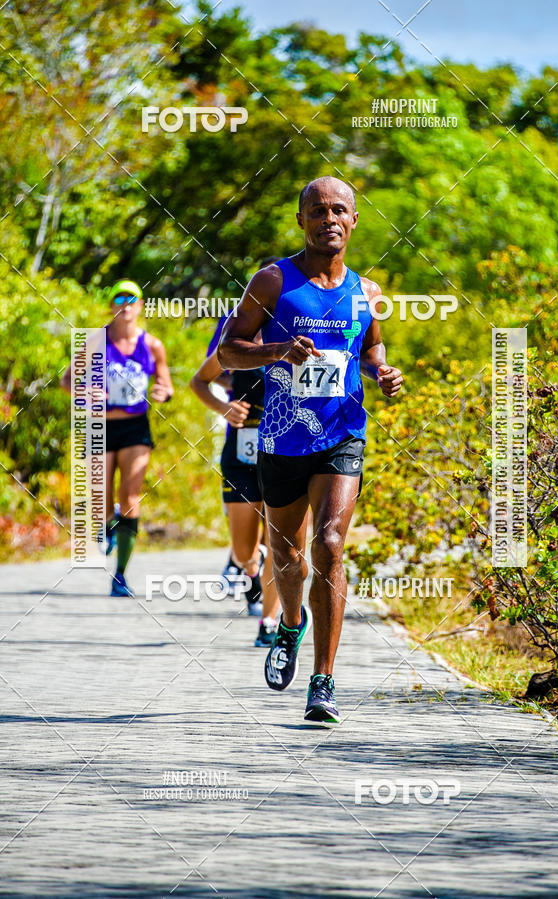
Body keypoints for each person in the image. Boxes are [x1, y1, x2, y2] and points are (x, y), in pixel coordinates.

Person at [219, 176, 403, 723]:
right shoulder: (273, 281)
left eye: (339, 210)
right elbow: (229, 352)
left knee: (328, 544)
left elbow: (370, 348)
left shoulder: (367, 293)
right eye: (318, 210)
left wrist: (382, 372)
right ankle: (290, 625)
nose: (330, 218)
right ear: (301, 220)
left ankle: (323, 681)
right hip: (280, 438)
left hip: (342, 433)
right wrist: (276, 349)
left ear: (353, 220)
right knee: (289, 556)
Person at [61, 279, 173, 597]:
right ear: (111, 305)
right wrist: (85, 391)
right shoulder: (97, 340)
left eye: (132, 298)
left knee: (131, 496)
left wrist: (162, 392)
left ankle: (121, 574)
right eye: (119, 298)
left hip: (136, 427)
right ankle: (107, 523)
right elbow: (68, 380)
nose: (125, 304)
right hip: (101, 426)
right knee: (100, 495)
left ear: (140, 306)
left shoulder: (152, 344)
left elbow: (165, 385)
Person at [190, 293, 281, 646]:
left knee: (282, 545)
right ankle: (249, 562)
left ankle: (271, 621)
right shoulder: (235, 340)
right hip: (241, 451)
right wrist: (224, 409)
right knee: (244, 551)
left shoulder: (296, 336)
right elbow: (200, 380)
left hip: (285, 453)